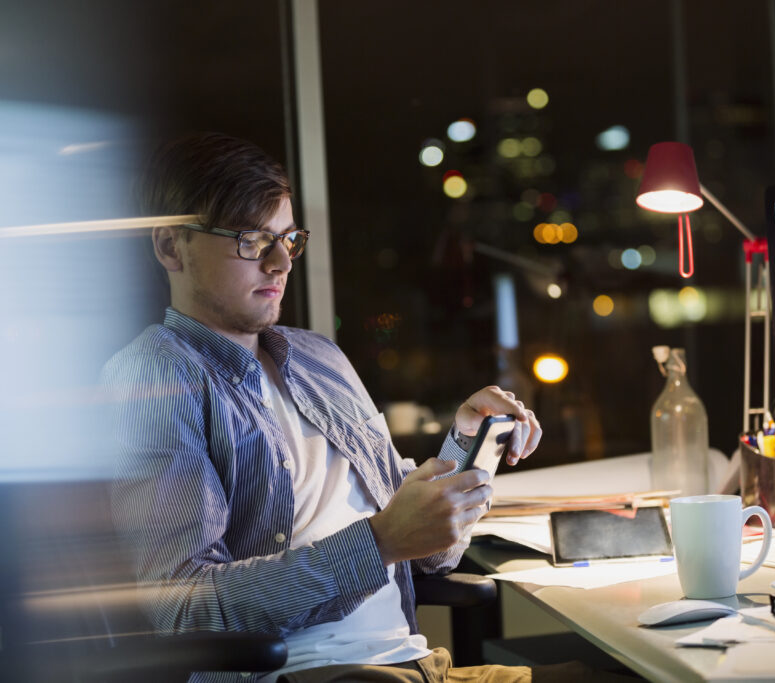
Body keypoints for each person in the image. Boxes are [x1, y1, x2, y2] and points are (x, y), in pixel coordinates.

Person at [102, 132, 563, 683]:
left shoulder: (320, 358)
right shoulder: (154, 377)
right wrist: (380, 542)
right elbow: (183, 611)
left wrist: (465, 448)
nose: (279, 263)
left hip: (415, 666)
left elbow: (430, 556)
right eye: (250, 240)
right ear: (171, 247)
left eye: (288, 238)